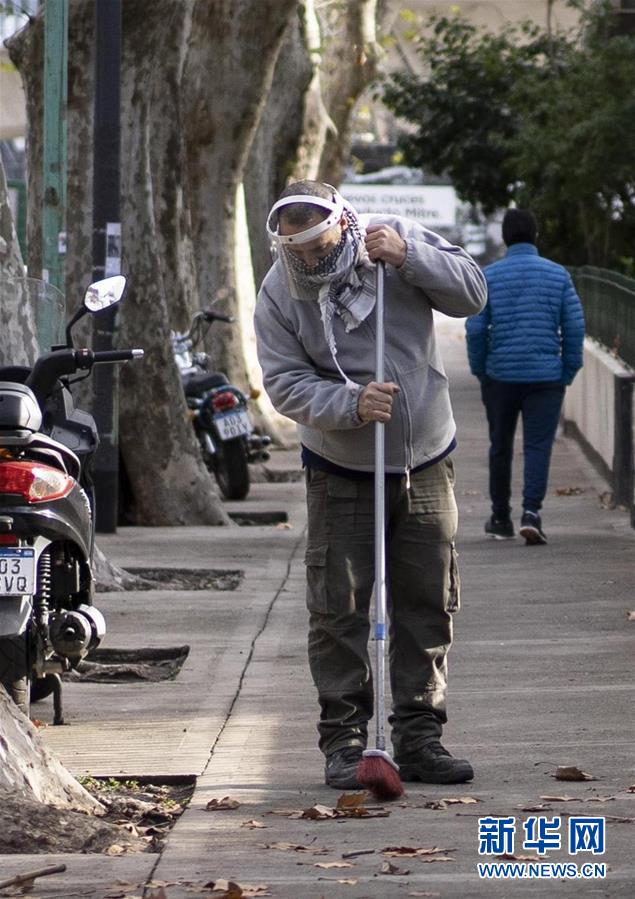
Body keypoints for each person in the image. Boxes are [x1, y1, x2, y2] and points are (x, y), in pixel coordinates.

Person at [254, 180, 487, 789]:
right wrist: (351, 403)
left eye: (318, 245)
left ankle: (420, 737)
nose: (309, 260)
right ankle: (346, 744)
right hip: (340, 468)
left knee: (427, 601)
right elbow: (284, 383)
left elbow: (472, 293)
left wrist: (412, 259)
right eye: (296, 250)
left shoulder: (394, 240)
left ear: (342, 223)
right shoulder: (280, 290)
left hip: (424, 458)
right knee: (339, 610)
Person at [465, 208, 585, 545]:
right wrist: (566, 371)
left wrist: (481, 370)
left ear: (504, 238)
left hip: (500, 377)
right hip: (546, 379)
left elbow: (475, 329)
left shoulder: (489, 276)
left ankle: (500, 518)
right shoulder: (558, 276)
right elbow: (574, 327)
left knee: (500, 446)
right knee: (537, 447)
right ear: (536, 235)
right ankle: (531, 513)